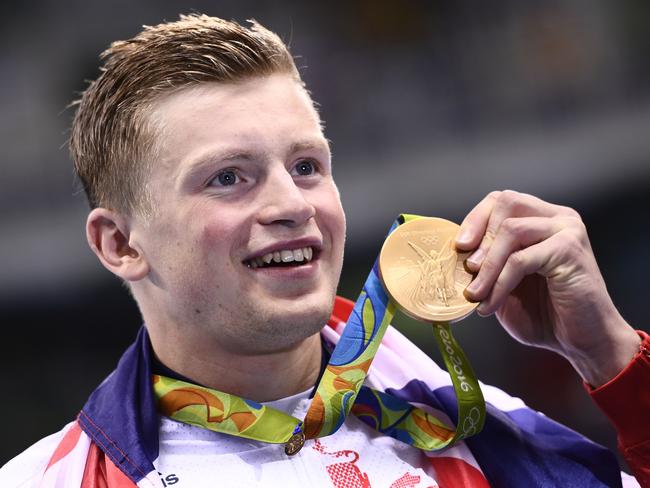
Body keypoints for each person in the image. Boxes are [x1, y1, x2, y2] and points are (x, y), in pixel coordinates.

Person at [1, 14, 648, 488]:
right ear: (119, 244)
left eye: (307, 165)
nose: (292, 204)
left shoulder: (483, 434)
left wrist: (612, 356)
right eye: (228, 177)